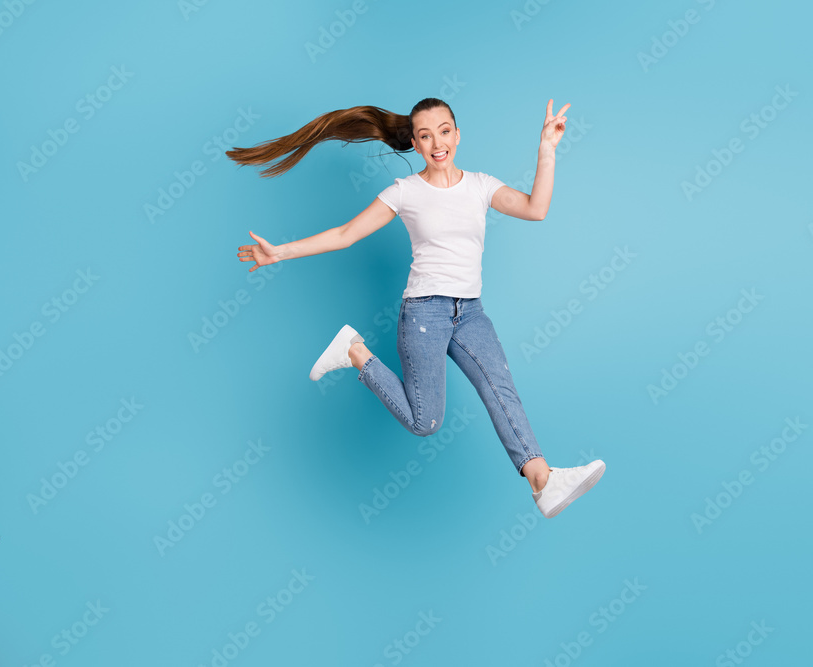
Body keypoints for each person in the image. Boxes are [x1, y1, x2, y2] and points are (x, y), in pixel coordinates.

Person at [227, 97, 604, 518]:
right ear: (415, 142)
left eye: (444, 131)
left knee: (502, 391)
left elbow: (536, 209)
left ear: (457, 135)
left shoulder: (481, 185)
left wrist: (547, 150)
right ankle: (355, 351)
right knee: (425, 423)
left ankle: (543, 483)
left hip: (470, 312)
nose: (437, 142)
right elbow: (347, 233)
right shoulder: (405, 192)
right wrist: (279, 253)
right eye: (425, 135)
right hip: (424, 314)